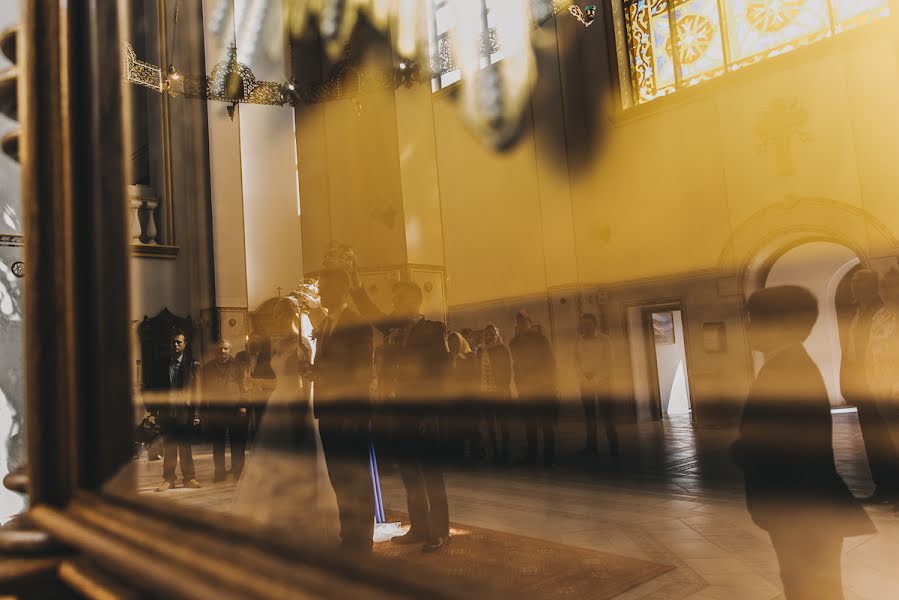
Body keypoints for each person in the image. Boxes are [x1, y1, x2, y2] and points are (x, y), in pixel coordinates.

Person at [732, 286, 874, 600]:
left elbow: (783, 444)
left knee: (808, 588)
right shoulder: (788, 364)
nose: (749, 327)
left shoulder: (787, 371)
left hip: (799, 505)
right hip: (804, 502)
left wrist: (741, 449)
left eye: (755, 319)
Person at [351, 277, 452, 553]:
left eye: (400, 299)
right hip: (398, 413)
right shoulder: (394, 329)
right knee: (409, 473)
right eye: (394, 300)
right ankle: (419, 527)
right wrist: (356, 285)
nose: (395, 304)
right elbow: (372, 314)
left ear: (415, 300)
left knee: (430, 474)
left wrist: (433, 413)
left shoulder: (432, 331)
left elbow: (441, 375)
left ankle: (441, 531)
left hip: (423, 413)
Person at [311, 266, 375, 554]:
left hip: (350, 414)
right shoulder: (324, 325)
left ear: (342, 288)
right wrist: (312, 371)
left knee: (357, 478)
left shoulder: (357, 322)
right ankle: (348, 533)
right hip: (328, 411)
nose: (321, 292)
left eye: (325, 287)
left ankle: (362, 540)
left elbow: (361, 372)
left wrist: (353, 413)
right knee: (338, 476)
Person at [841, 269, 899, 503]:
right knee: (881, 440)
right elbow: (864, 354)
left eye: (891, 286)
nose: (855, 287)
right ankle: (886, 487)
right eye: (884, 287)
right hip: (876, 388)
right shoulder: (878, 315)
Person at [145, 332, 202, 491]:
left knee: (184, 445)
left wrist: (196, 414)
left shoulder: (192, 364)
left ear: (185, 344)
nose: (175, 345)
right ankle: (169, 480)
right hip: (166, 410)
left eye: (178, 342)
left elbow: (197, 391)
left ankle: (189, 478)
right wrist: (152, 410)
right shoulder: (161, 363)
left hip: (184, 410)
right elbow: (152, 387)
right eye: (173, 342)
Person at [509, 310, 558, 467]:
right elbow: (515, 364)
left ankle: (549, 456)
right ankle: (532, 454)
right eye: (519, 322)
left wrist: (553, 385)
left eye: (524, 321)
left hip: (543, 387)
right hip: (526, 388)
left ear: (529, 322)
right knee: (529, 424)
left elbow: (550, 362)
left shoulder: (541, 339)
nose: (521, 325)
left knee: (546, 424)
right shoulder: (514, 343)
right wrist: (518, 383)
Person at [201, 339, 248, 482]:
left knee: (237, 443)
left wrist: (243, 406)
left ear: (230, 350)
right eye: (220, 349)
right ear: (216, 351)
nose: (222, 351)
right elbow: (203, 391)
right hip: (216, 410)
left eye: (225, 349)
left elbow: (244, 387)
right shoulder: (207, 368)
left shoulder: (238, 366)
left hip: (236, 410)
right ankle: (219, 473)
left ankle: (238, 473)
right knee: (218, 443)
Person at [575, 313, 617, 457]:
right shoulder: (579, 341)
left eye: (588, 324)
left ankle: (614, 447)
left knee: (607, 416)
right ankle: (591, 447)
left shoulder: (605, 340)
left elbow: (609, 362)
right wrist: (583, 377)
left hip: (603, 383)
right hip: (585, 384)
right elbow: (576, 362)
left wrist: (596, 378)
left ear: (595, 324)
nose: (585, 327)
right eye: (583, 324)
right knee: (589, 417)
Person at [478, 323, 513, 464]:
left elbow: (507, 369)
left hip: (500, 391)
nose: (490, 335)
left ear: (497, 334)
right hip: (485, 392)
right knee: (490, 424)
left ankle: (505, 452)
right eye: (487, 333)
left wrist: (504, 387)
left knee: (503, 423)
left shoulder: (502, 349)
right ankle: (494, 452)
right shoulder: (480, 350)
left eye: (492, 333)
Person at [446, 331, 480, 463]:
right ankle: (458, 456)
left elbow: (472, 377)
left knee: (471, 429)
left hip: (468, 400)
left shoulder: (470, 357)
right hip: (453, 400)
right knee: (455, 430)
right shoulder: (449, 358)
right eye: (450, 342)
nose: (453, 345)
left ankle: (474, 456)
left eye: (455, 342)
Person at [236, 333, 276, 443]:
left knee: (260, 420)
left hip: (260, 394)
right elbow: (236, 375)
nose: (254, 342)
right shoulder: (239, 356)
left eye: (257, 340)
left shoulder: (266, 357)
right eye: (252, 340)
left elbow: (270, 376)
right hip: (244, 395)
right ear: (247, 342)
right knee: (243, 421)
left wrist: (261, 386)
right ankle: (242, 443)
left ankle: (258, 444)